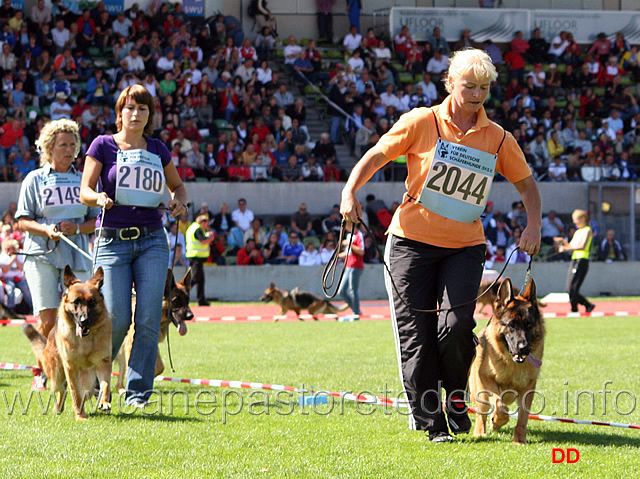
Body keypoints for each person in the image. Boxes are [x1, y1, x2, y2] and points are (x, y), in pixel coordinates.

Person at [339, 48, 542, 442]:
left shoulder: (498, 138)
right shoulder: (422, 121)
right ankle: (433, 424)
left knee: (455, 327)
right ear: (450, 83)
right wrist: (350, 192)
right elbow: (378, 154)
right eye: (469, 86)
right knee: (417, 334)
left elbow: (527, 185)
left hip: (465, 246)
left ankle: (457, 398)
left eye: (484, 88)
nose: (477, 94)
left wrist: (533, 224)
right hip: (409, 244)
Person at [79, 84, 188, 408]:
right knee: (115, 318)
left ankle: (138, 392)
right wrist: (97, 197)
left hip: (153, 239)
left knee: (149, 318)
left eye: (142, 108)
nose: (136, 114)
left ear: (149, 114)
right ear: (119, 113)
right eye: (130, 107)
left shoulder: (157, 148)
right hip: (112, 241)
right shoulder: (102, 145)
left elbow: (178, 187)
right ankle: (96, 380)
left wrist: (178, 203)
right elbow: (84, 189)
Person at [15, 119, 99, 389]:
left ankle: (79, 374)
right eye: (63, 144)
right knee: (49, 320)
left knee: (81, 319)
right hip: (41, 255)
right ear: (49, 148)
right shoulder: (34, 180)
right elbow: (23, 221)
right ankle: (42, 373)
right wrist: (45, 229)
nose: (69, 149)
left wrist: (76, 227)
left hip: (75, 257)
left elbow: (95, 221)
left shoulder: (82, 181)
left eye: (72, 144)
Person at [556, 209, 595, 313]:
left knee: (573, 288)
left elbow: (582, 246)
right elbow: (571, 246)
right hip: (574, 260)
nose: (575, 222)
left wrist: (566, 249)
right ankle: (587, 305)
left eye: (576, 219)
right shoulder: (578, 231)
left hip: (581, 260)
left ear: (583, 219)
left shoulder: (587, 230)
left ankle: (575, 309)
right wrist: (563, 243)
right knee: (569, 289)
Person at [186, 215, 216, 306]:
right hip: (196, 257)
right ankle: (182, 292)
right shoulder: (197, 229)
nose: (206, 226)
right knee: (195, 278)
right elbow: (202, 241)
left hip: (195, 257)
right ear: (203, 222)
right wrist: (210, 238)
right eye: (206, 223)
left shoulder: (193, 228)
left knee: (200, 280)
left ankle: (201, 300)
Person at [337, 224, 364, 319]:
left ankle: (356, 311)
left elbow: (361, 251)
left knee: (353, 290)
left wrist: (349, 244)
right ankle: (354, 308)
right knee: (341, 291)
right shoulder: (349, 236)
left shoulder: (359, 235)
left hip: (356, 265)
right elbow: (348, 252)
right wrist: (337, 256)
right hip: (348, 265)